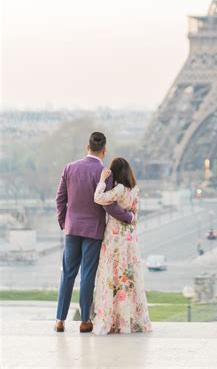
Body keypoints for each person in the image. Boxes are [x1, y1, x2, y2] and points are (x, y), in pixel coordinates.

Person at [55, 132, 133, 333]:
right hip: (93, 230)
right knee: (87, 276)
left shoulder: (70, 168)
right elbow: (108, 205)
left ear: (86, 147)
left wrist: (65, 223)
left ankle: (60, 320)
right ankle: (85, 320)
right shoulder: (105, 173)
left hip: (72, 229)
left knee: (67, 274)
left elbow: (60, 199)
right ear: (104, 151)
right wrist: (128, 216)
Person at [92, 157, 152, 334]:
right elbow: (134, 214)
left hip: (115, 236)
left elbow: (98, 198)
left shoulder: (118, 189)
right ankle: (129, 318)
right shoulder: (135, 189)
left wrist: (102, 181)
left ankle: (112, 318)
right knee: (129, 276)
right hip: (130, 238)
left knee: (113, 274)